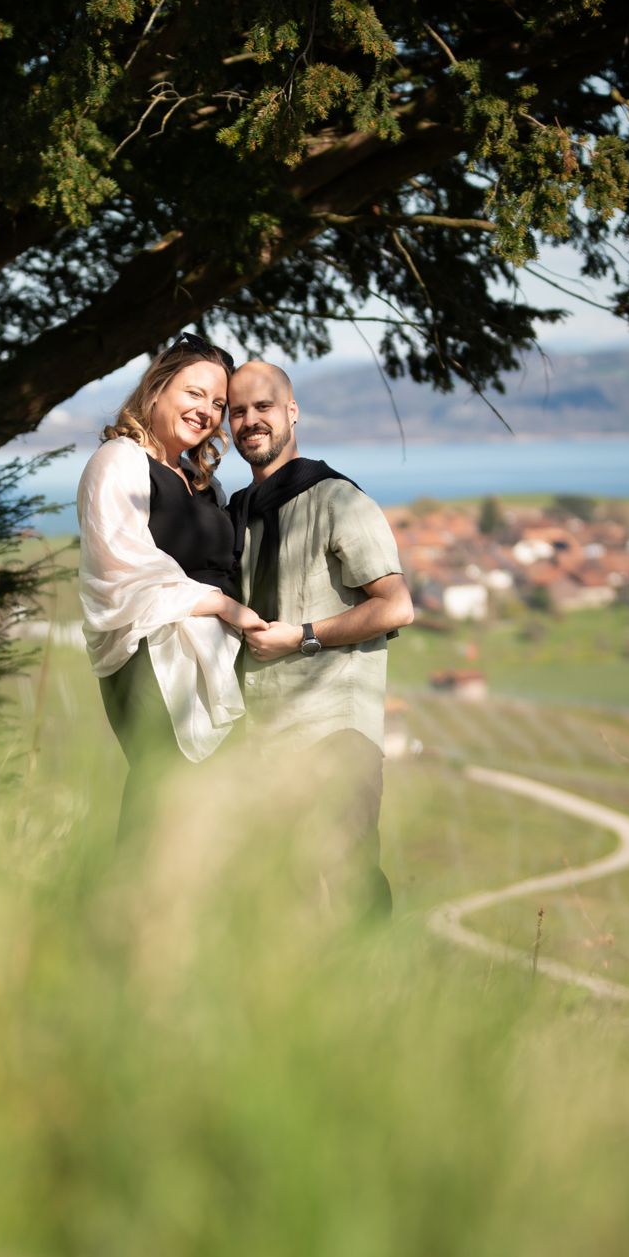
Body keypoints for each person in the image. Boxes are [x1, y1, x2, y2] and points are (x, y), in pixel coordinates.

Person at [226, 359, 414, 909]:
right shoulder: (237, 513)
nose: (250, 421)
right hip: (262, 740)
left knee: (350, 885)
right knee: (281, 902)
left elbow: (396, 606)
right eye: (237, 412)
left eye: (263, 407)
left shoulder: (338, 500)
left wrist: (302, 636)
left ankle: (381, 994)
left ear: (291, 412)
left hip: (334, 731)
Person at [77, 335, 266, 834]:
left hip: (220, 659)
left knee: (213, 817)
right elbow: (121, 563)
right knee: (164, 799)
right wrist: (224, 607)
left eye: (219, 403)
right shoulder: (119, 461)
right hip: (154, 662)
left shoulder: (200, 482)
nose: (208, 411)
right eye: (194, 393)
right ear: (157, 390)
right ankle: (132, 910)